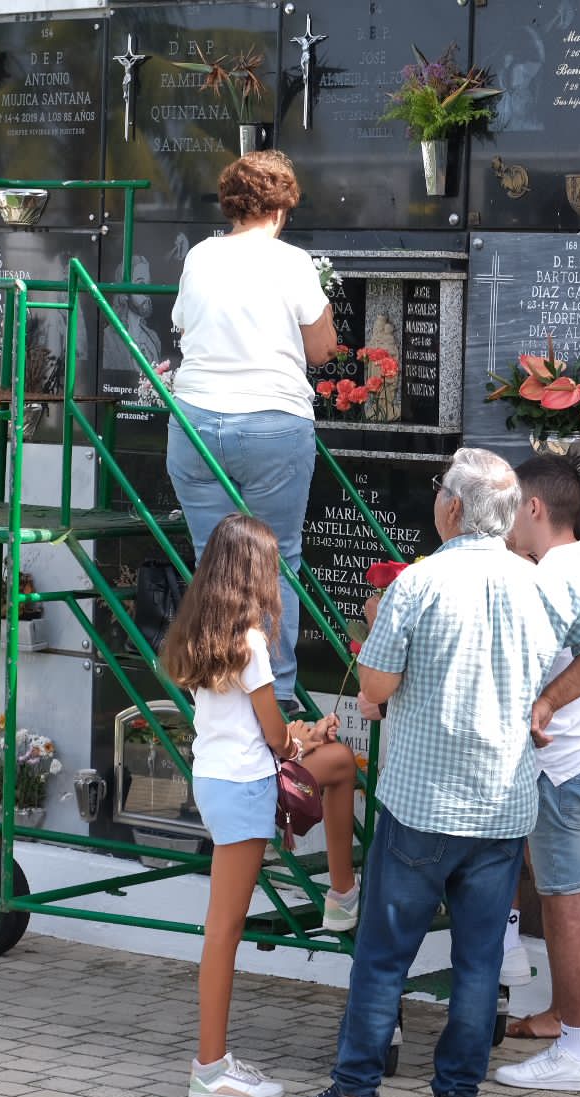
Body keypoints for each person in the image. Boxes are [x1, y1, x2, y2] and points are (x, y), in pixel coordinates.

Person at [286, 448, 580, 1097]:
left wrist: (387, 682)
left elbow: (375, 690)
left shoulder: (419, 583)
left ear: (451, 507)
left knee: (385, 954)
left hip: (422, 803)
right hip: (503, 806)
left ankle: (356, 1094)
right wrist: (545, 705)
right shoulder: (542, 583)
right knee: (477, 962)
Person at [160, 513, 361, 1097]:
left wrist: (299, 737)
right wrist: (304, 736)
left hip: (217, 780)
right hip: (248, 786)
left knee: (341, 762)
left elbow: (251, 727)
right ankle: (211, 1068)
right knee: (223, 932)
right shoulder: (249, 640)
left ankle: (342, 894)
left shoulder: (199, 630)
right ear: (253, 571)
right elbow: (276, 739)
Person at [165, 150, 337, 707]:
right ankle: (277, 700)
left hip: (194, 426)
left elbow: (183, 327)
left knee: (210, 560)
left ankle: (214, 699)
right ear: (283, 207)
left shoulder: (201, 256)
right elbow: (321, 348)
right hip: (271, 425)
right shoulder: (292, 262)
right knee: (276, 560)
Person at [493, 456, 580, 1092]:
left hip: (566, 764)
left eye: (508, 508)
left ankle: (577, 1053)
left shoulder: (554, 575)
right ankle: (555, 1016)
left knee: (565, 909)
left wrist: (545, 703)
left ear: (532, 507)